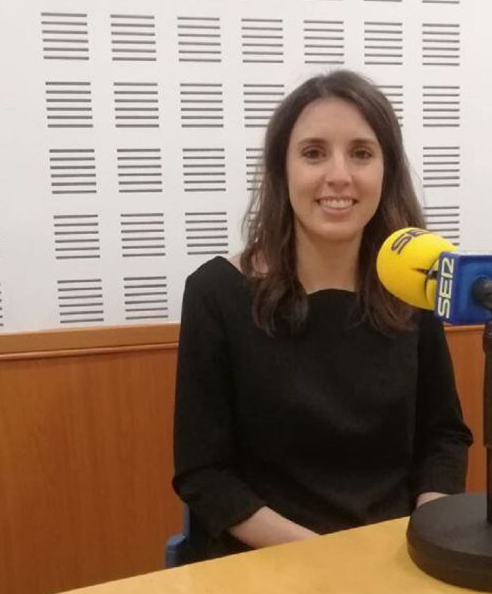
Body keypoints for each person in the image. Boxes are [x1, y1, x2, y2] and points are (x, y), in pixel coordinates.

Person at [172, 69, 473, 562]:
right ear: (282, 170)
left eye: (361, 153)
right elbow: (204, 475)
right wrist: (331, 557)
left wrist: (424, 529)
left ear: (386, 171)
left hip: (394, 555)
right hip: (265, 562)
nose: (339, 176)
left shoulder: (412, 282)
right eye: (314, 153)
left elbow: (444, 436)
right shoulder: (215, 292)